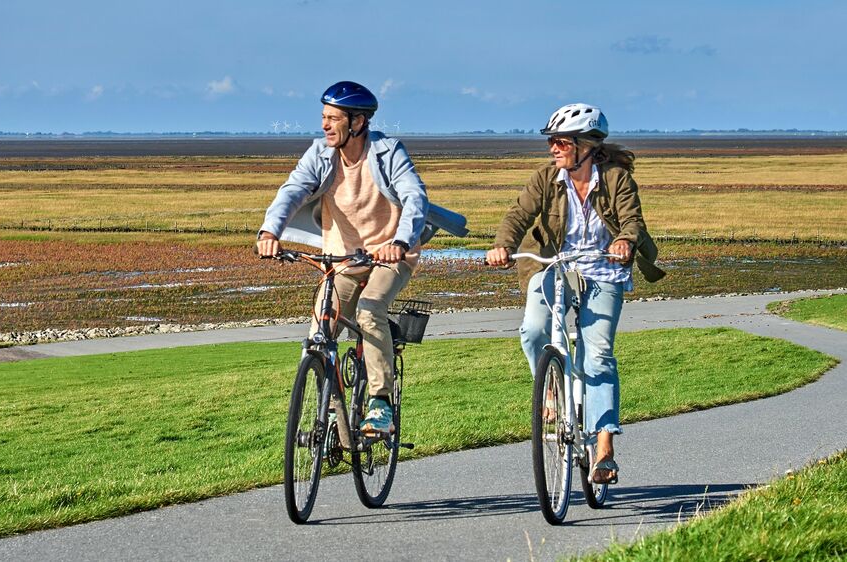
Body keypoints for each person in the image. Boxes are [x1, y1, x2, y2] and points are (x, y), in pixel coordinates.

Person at [257, 80, 468, 435]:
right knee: (319, 333)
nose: (324, 125)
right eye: (323, 117)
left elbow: (414, 197)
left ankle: (380, 402)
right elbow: (292, 191)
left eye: (333, 118)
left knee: (370, 311)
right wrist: (269, 232)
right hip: (343, 260)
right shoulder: (320, 154)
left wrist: (400, 241)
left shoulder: (388, 152)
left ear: (357, 122)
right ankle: (334, 412)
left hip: (391, 256)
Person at [486, 103, 664, 484]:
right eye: (552, 141)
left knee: (596, 355)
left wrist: (623, 240)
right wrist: (502, 246)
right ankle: (551, 389)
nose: (554, 147)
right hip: (554, 265)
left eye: (561, 141)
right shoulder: (546, 178)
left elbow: (632, 220)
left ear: (586, 145)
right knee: (533, 331)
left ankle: (604, 449)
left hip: (603, 270)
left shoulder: (616, 179)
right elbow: (518, 216)